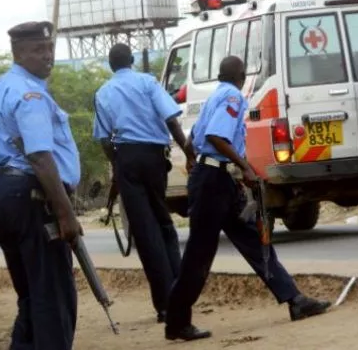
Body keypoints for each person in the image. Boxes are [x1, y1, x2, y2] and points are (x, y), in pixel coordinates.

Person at [164, 55, 331, 342]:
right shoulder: (233, 97)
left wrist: (197, 163)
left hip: (216, 180)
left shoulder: (214, 96)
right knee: (199, 254)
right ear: (241, 76)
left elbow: (193, 140)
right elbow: (218, 136)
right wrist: (245, 167)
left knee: (256, 241)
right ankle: (177, 321)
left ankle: (294, 300)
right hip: (215, 182)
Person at [0, 20, 81, 350]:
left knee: (31, 297)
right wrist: (66, 214)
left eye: (50, 48)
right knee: (53, 299)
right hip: (30, 196)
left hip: (4, 193)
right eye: (38, 50)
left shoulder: (3, 85)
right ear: (19, 53)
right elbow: (40, 156)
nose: (48, 56)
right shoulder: (30, 94)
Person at [92, 43, 194, 323]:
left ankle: (164, 305)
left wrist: (117, 164)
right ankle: (180, 298)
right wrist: (188, 153)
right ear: (133, 60)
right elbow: (171, 121)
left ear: (111, 66)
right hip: (153, 158)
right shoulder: (147, 82)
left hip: (126, 158)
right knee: (163, 223)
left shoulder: (103, 93)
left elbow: (104, 138)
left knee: (145, 233)